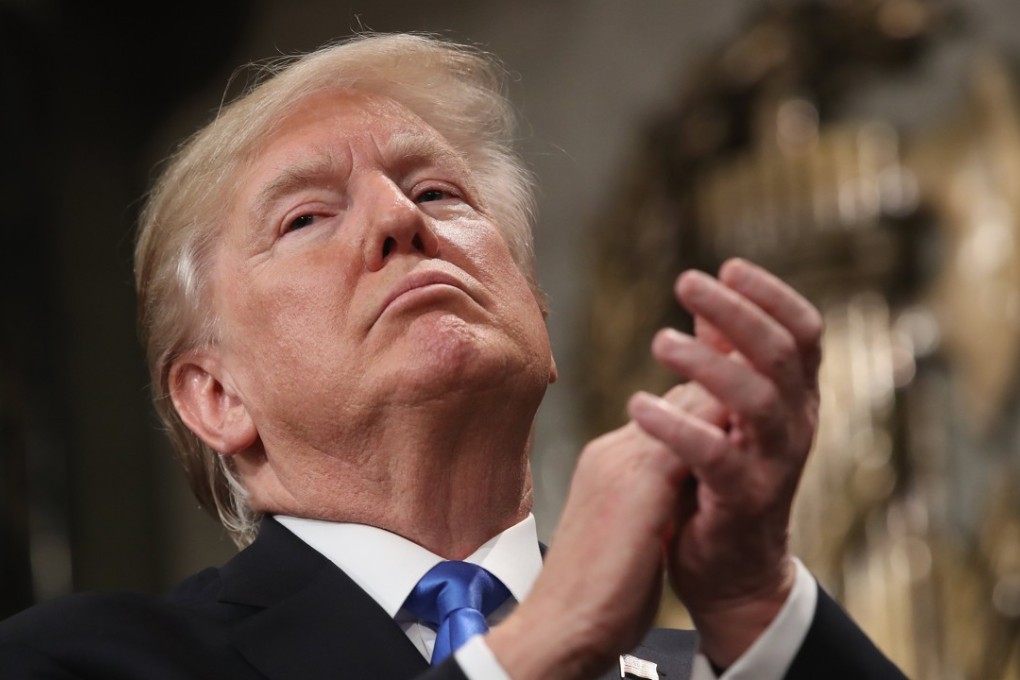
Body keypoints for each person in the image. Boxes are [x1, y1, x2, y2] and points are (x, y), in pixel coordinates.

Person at [1, 33, 906, 680]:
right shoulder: (82, 659)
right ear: (215, 396)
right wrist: (526, 655)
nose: (403, 220)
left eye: (438, 190)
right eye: (307, 217)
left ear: (535, 309)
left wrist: (756, 599)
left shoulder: (722, 666)